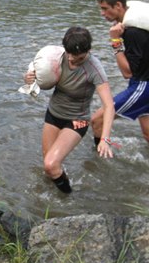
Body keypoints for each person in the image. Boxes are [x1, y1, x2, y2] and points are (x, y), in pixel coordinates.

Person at [23, 27, 115, 194]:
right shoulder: (56, 57)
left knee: (51, 164)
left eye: (78, 57)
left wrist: (105, 138)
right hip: (53, 114)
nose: (72, 60)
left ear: (88, 51)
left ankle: (68, 199)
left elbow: (109, 105)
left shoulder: (94, 68)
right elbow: (39, 77)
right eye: (69, 54)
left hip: (76, 120)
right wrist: (29, 78)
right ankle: (51, 201)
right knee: (49, 167)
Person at [91, 0, 149, 151]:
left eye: (105, 9)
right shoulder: (132, 26)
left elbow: (127, 72)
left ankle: (98, 161)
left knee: (97, 120)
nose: (102, 14)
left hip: (144, 86)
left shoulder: (132, 32)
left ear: (118, 6)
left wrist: (115, 41)